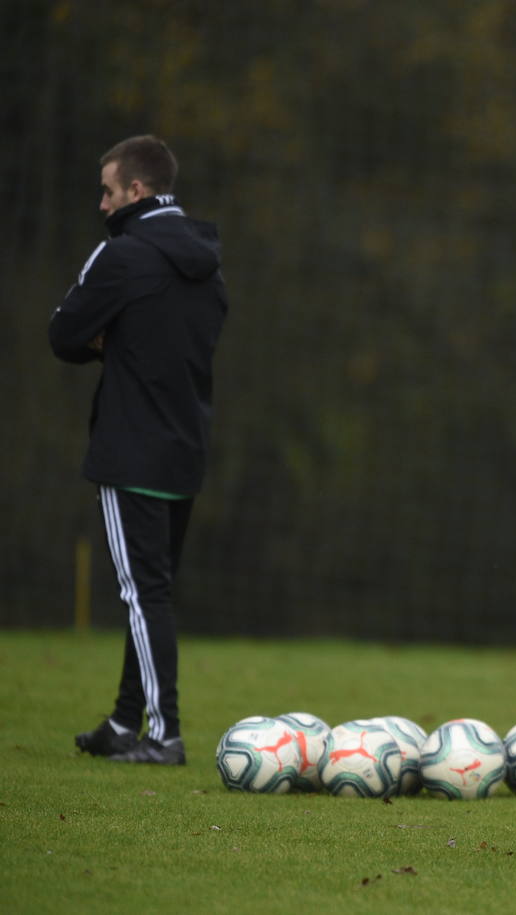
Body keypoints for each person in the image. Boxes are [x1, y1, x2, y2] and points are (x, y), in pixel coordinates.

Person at [51, 134, 228, 766]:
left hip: (131, 449)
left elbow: (64, 332)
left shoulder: (122, 254)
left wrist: (108, 339)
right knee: (153, 591)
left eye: (107, 189)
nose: (101, 203)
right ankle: (127, 720)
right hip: (185, 447)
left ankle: (163, 733)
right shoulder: (208, 260)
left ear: (136, 190)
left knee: (140, 592)